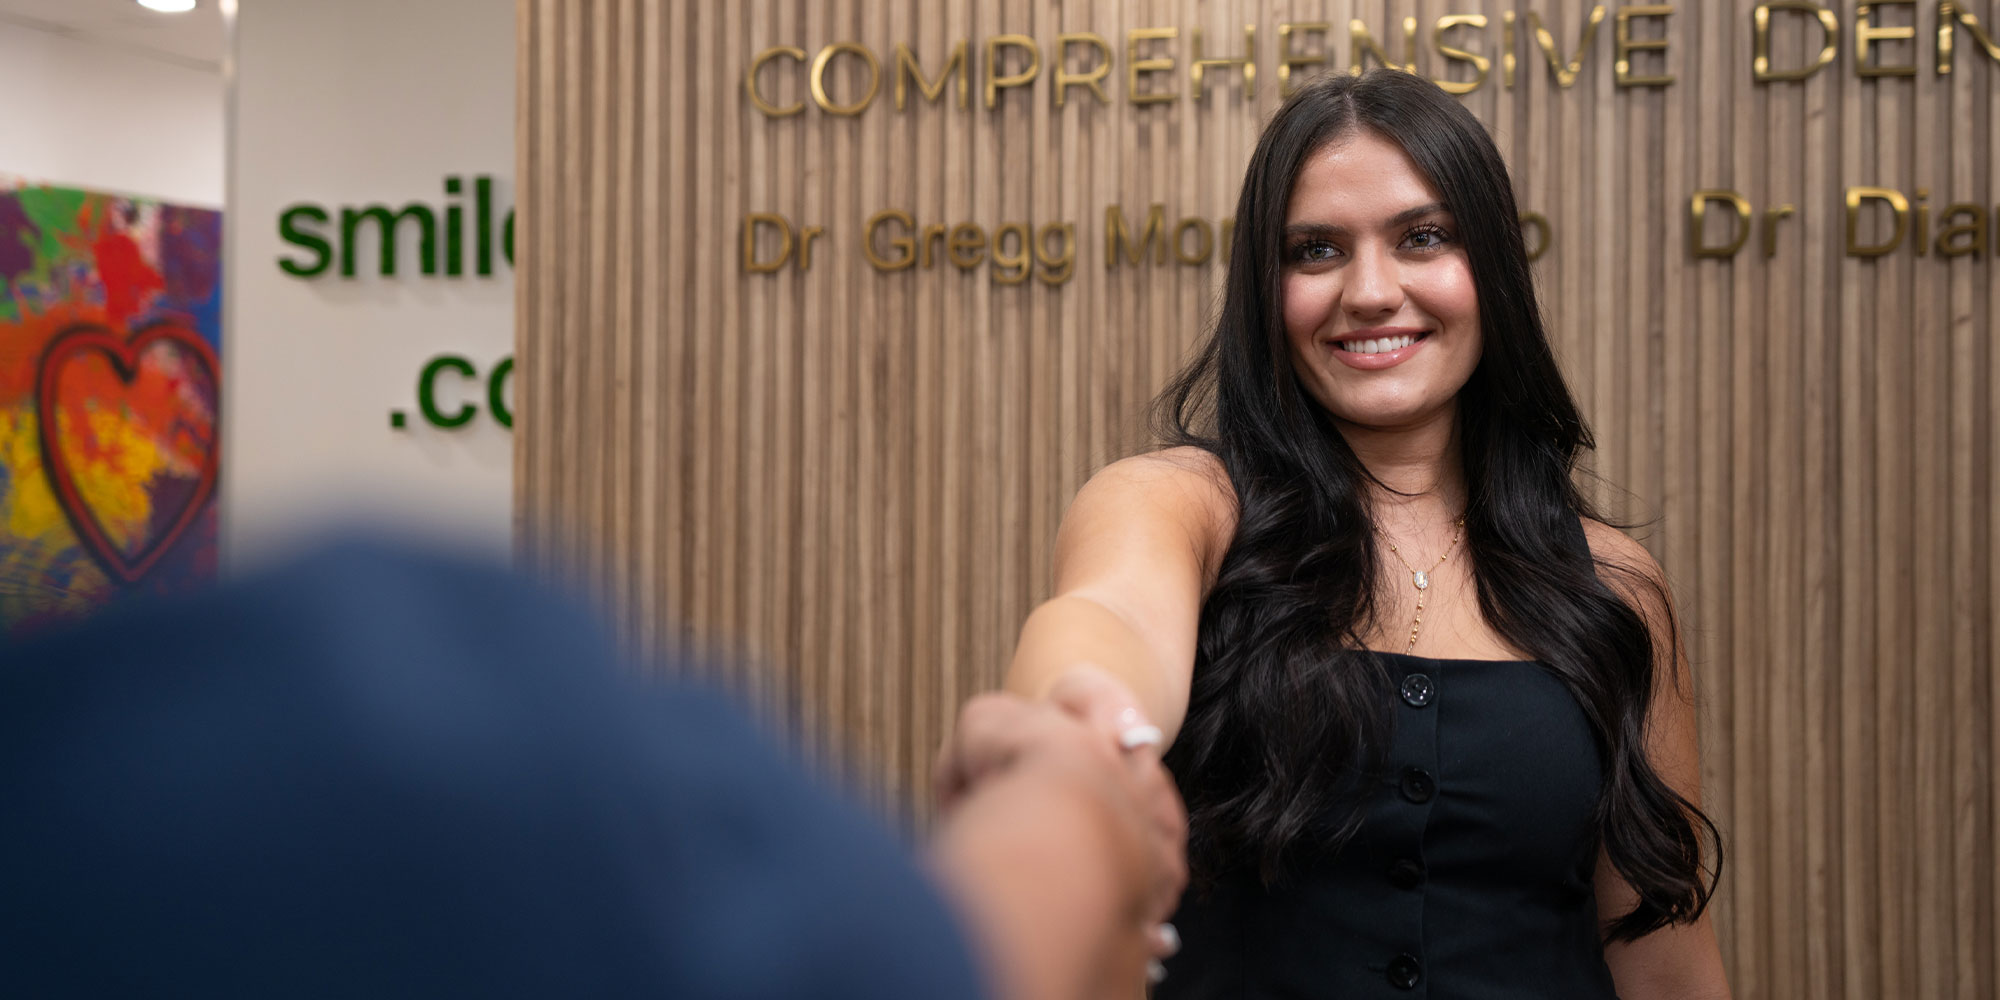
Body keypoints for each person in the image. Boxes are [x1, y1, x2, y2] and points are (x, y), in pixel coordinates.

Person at [960, 69, 1730, 998]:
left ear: (1490, 266)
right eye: (1316, 250)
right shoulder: (1180, 504)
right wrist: (1078, 719)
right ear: (1265, 286)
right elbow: (1111, 617)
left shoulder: (1613, 585)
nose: (1371, 291)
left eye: (1424, 237)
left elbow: (1665, 965)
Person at [0, 538, 1184, 1000]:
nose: (1369, 287)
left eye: (1388, 236)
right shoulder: (405, 765)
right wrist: (1081, 775)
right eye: (1312, 247)